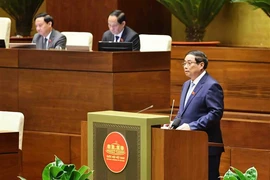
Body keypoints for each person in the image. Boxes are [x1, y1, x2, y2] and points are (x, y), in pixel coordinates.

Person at [170, 50, 224, 180]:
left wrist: (192, 126)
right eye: (184, 63)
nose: (185, 66)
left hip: (206, 146)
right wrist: (174, 124)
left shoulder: (212, 85)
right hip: (187, 144)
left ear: (201, 65)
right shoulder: (186, 84)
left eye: (189, 63)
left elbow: (216, 113)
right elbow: (183, 111)